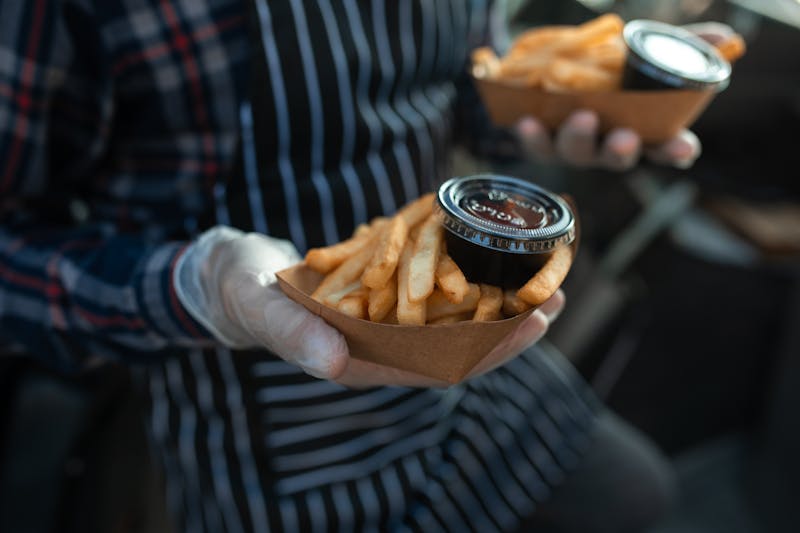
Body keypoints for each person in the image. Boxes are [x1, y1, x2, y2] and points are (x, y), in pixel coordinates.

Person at [0, 1, 709, 531]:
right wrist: (197, 284)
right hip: (259, 425)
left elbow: (469, 87)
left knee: (636, 495)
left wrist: (559, 112)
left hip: (467, 346)